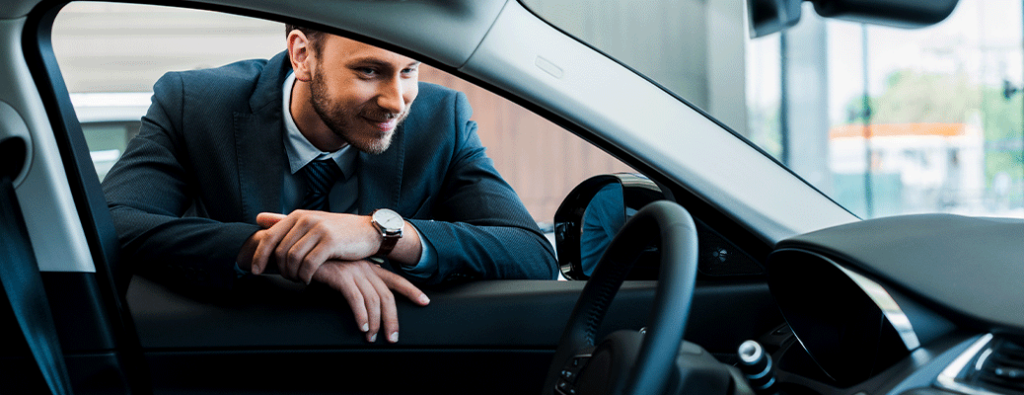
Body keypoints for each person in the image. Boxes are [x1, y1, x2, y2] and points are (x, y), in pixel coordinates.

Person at [102, 25, 557, 344]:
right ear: (302, 54)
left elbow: (529, 252)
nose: (396, 102)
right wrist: (288, 251)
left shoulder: (442, 119)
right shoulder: (194, 103)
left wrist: (377, 233)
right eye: (369, 71)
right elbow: (118, 224)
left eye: (409, 70)